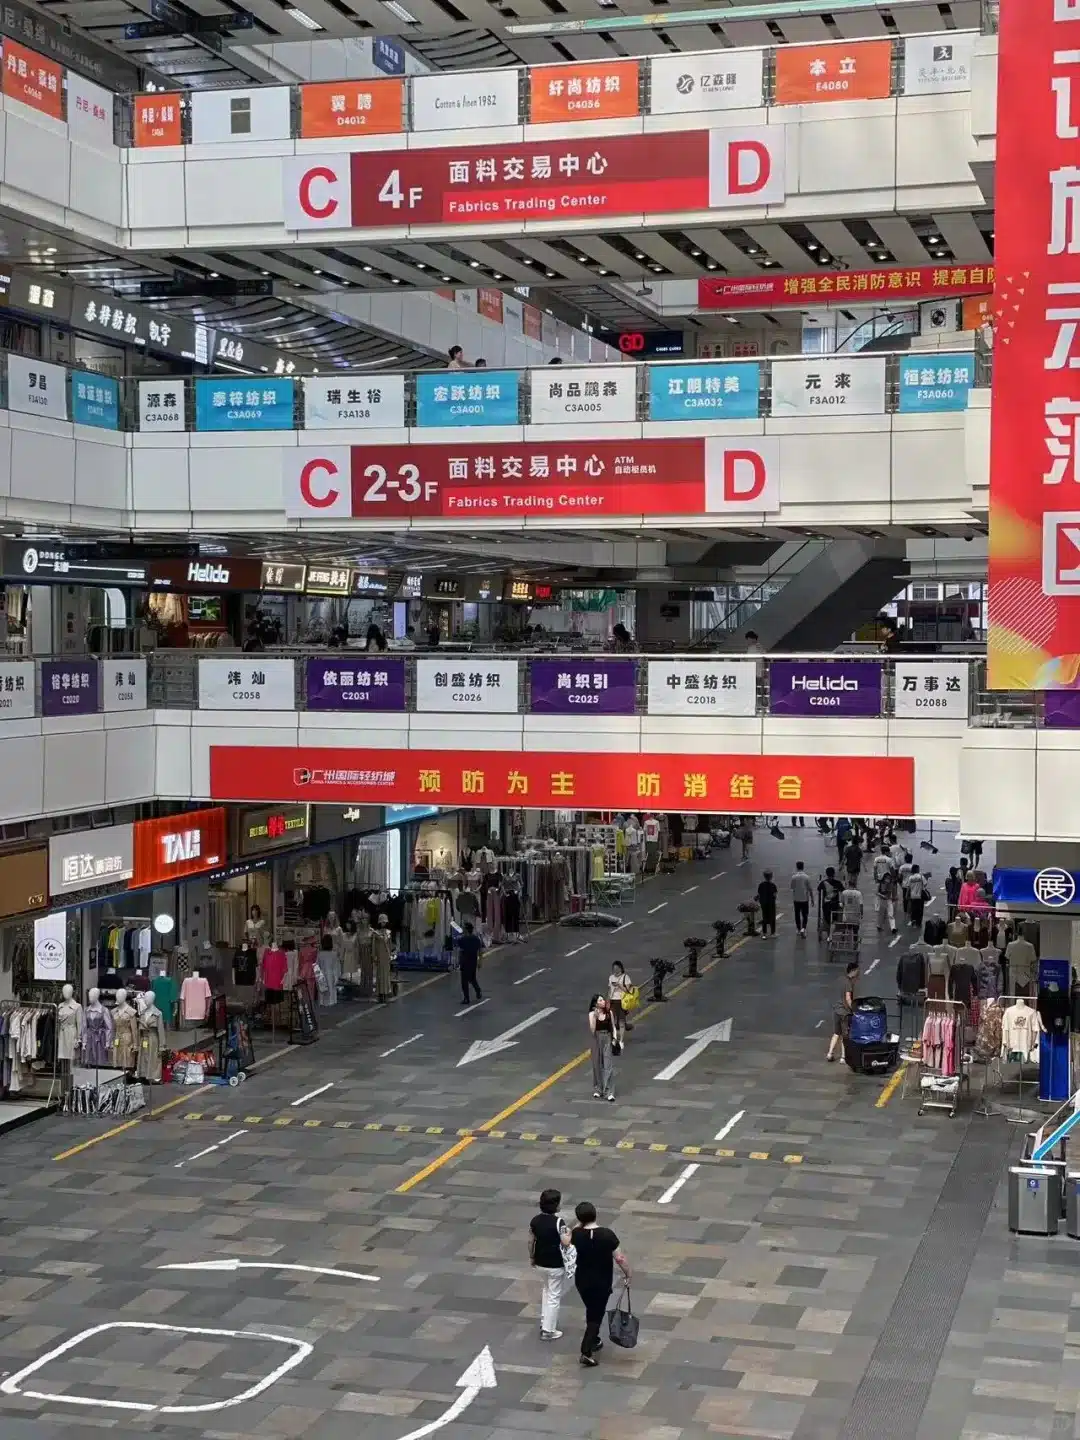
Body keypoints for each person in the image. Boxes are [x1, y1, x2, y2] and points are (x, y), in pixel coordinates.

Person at [569, 1200, 631, 1367]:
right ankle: (586, 1351)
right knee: (596, 1315)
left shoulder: (576, 1234)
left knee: (591, 1308)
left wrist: (578, 1224)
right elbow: (619, 1258)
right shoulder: (607, 1234)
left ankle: (595, 1339)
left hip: (582, 1280)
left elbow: (566, 1240)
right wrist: (628, 1273)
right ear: (595, 1214)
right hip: (601, 1281)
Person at [530, 1187, 570, 1341]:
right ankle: (549, 1330)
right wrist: (570, 1232)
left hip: (540, 1262)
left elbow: (530, 1240)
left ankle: (544, 1320)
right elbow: (565, 1242)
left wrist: (531, 1256)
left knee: (546, 1291)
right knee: (554, 1295)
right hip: (555, 1264)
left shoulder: (535, 1220)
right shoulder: (559, 1222)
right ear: (555, 1205)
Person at [827, 960, 860, 1062]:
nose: (858, 973)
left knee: (836, 1033)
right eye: (857, 971)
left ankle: (830, 1053)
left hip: (837, 1010)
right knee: (845, 1036)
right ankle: (843, 1057)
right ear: (853, 971)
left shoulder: (840, 979)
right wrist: (853, 1009)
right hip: (845, 1012)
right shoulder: (848, 983)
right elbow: (848, 998)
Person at [589, 995, 616, 1101]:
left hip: (607, 1038)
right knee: (597, 1064)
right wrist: (595, 1017)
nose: (603, 1001)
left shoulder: (609, 1013)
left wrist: (614, 1039)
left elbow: (613, 1026)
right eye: (600, 1000)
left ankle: (609, 1091)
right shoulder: (592, 1014)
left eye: (603, 999)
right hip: (596, 1039)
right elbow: (592, 1030)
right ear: (596, 1003)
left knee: (608, 1065)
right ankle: (598, 1089)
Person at [458, 921, 483, 1005]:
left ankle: (466, 998)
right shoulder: (476, 939)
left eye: (464, 928)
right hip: (473, 961)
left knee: (464, 981)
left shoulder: (462, 940)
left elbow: (460, 952)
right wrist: (480, 961)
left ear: (466, 930)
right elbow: (480, 951)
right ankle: (478, 990)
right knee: (472, 978)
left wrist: (459, 962)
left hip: (465, 962)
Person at [608, 961, 633, 1042]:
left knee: (621, 1021)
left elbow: (628, 990)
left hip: (622, 1001)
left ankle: (621, 1039)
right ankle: (613, 1037)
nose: (615, 970)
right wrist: (608, 1000)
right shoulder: (611, 977)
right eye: (614, 968)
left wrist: (619, 985)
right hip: (613, 1001)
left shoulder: (625, 977)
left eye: (617, 968)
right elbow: (609, 989)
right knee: (611, 1020)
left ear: (621, 968)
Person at [790, 861, 813, 937]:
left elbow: (792, 887)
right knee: (805, 915)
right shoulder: (807, 877)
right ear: (803, 867)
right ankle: (803, 928)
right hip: (805, 899)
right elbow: (810, 889)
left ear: (797, 867)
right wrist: (812, 899)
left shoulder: (794, 877)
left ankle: (798, 929)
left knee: (797, 914)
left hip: (796, 899)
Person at [818, 866, 842, 936]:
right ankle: (831, 932)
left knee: (826, 919)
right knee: (834, 919)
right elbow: (843, 890)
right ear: (834, 874)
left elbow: (819, 889)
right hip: (835, 905)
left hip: (826, 905)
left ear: (826, 874)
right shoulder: (838, 883)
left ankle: (828, 932)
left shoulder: (823, 883)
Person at [757, 870, 778, 936]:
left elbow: (759, 893)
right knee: (772, 917)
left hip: (763, 903)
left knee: (764, 917)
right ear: (771, 877)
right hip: (771, 903)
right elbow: (775, 894)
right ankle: (773, 932)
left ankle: (764, 932)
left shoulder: (761, 885)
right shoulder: (773, 885)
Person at [907, 864, 928, 929]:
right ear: (917, 869)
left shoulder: (910, 877)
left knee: (913, 909)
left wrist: (907, 895)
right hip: (920, 896)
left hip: (913, 896)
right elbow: (925, 884)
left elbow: (908, 887)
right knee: (920, 910)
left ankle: (913, 921)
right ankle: (918, 923)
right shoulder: (921, 877)